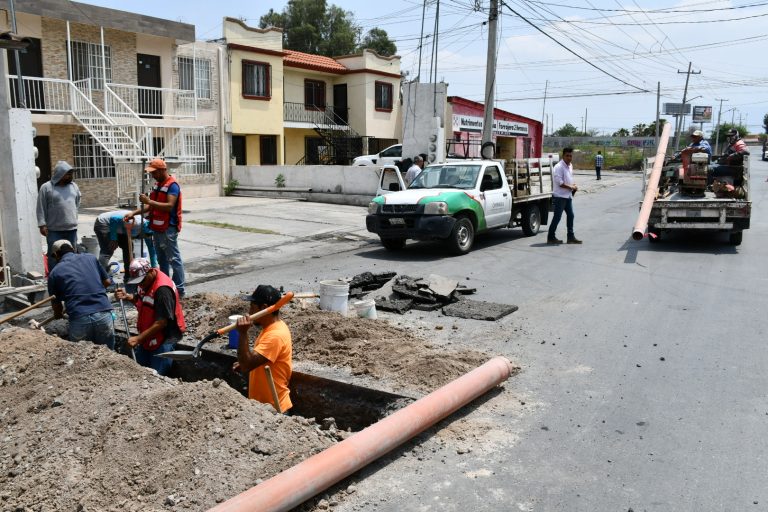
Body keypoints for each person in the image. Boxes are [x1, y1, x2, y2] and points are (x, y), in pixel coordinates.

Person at [125, 158, 186, 297]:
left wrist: (149, 200)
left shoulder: (172, 185)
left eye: (154, 172)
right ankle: (165, 287)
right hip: (157, 228)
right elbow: (150, 206)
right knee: (161, 260)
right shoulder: (158, 185)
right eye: (151, 172)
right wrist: (134, 213)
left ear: (162, 170)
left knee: (174, 260)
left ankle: (180, 290)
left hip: (168, 228)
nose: (152, 175)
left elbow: (169, 205)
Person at [115, 258, 186, 376]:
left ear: (150, 271)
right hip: (149, 336)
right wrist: (127, 296)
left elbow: (162, 322)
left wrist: (138, 339)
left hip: (164, 337)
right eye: (137, 282)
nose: (140, 284)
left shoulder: (162, 290)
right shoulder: (145, 283)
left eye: (142, 281)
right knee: (139, 371)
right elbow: (142, 300)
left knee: (156, 376)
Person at [233, 285, 293, 413]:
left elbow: (247, 365)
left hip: (274, 409)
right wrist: (249, 363)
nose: (249, 312)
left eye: (252, 307)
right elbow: (259, 360)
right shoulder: (270, 328)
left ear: (264, 308)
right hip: (263, 408)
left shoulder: (275, 335)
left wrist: (243, 333)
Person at [47, 240, 115, 349]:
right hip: (103, 314)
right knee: (109, 358)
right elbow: (107, 282)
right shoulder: (91, 258)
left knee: (82, 361)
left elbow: (56, 305)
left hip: (79, 318)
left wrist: (58, 314)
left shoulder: (54, 272)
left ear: (56, 255)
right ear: (74, 249)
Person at [37, 161, 81, 272]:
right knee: (54, 256)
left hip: (71, 229)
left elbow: (77, 202)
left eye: (71, 174)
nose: (71, 176)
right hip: (54, 230)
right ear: (60, 174)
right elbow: (40, 206)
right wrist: (42, 224)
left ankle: (71, 276)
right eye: (68, 174)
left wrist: (73, 216)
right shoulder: (46, 187)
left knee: (72, 255)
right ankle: (54, 279)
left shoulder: (74, 186)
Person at [93, 211, 157, 272]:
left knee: (128, 248)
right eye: (144, 236)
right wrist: (114, 239)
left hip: (117, 227)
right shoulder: (136, 222)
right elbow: (114, 219)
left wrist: (154, 268)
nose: (144, 238)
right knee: (108, 250)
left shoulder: (148, 232)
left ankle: (128, 275)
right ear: (142, 232)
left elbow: (152, 250)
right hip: (103, 223)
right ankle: (101, 276)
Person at [547, 147, 582, 245]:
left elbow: (569, 179)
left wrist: (573, 185)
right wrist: (571, 187)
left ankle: (570, 237)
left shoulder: (570, 166)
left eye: (570, 156)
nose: (569, 158)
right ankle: (551, 237)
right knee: (557, 217)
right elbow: (560, 183)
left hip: (567, 196)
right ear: (563, 156)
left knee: (571, 215)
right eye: (567, 155)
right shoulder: (558, 167)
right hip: (559, 196)